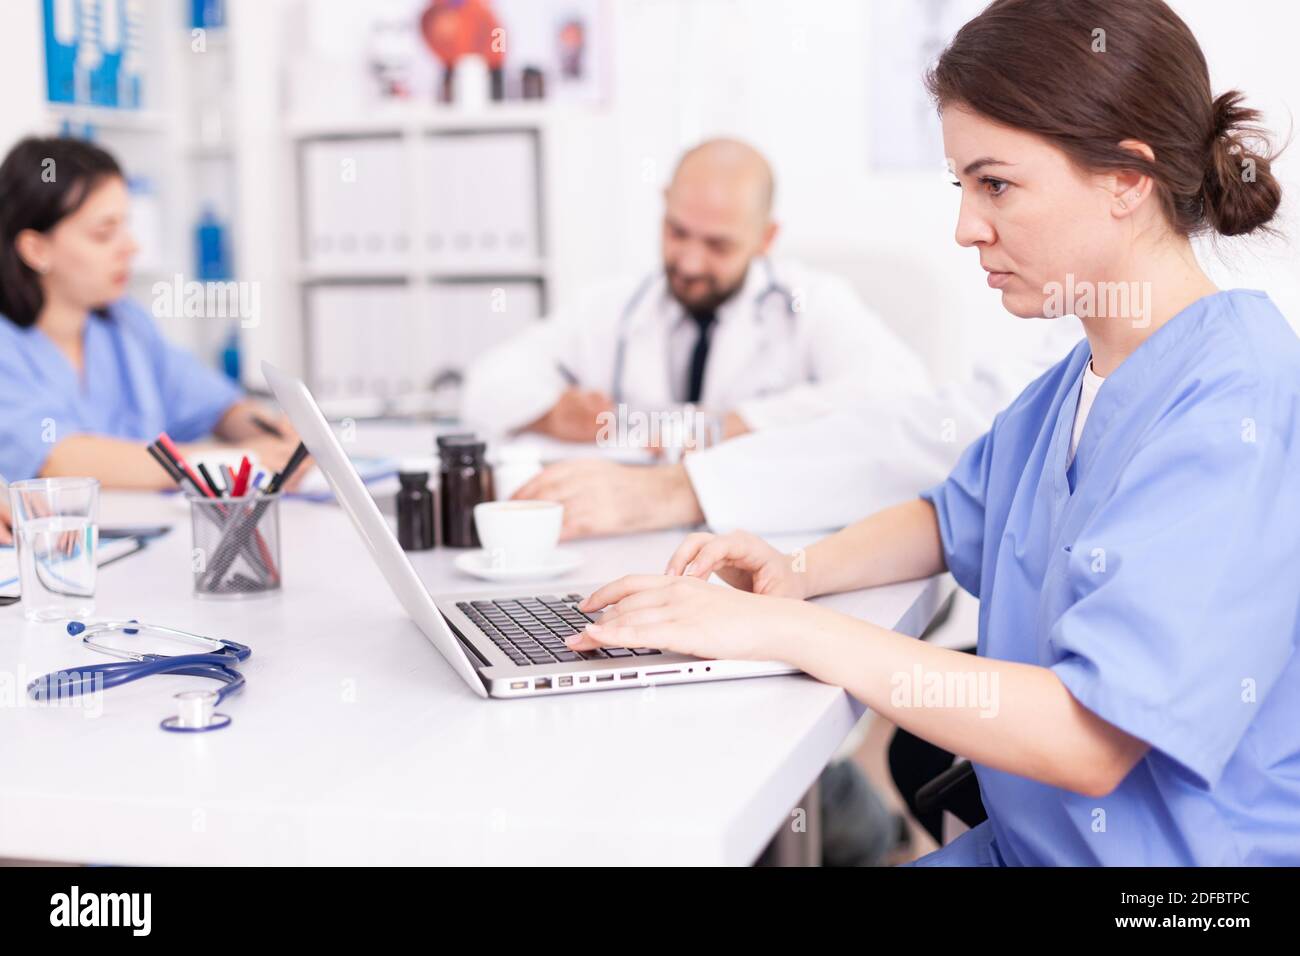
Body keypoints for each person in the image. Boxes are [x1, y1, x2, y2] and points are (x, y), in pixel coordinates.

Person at [564, 0, 1300, 865]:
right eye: (963, 187)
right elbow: (953, 517)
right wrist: (793, 571)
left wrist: (785, 632)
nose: (966, 227)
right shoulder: (1078, 380)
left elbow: (1090, 741)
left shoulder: (1234, 402)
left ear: (1126, 179)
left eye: (996, 184)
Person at [460, 137, 927, 445]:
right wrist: (552, 415)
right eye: (677, 232)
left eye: (718, 245)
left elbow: (900, 392)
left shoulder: (812, 303)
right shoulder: (612, 306)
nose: (688, 262)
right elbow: (486, 385)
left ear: (766, 238)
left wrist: (727, 427)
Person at [0, 136, 302, 489]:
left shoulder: (124, 323)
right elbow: (60, 459)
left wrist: (274, 434)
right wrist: (232, 462)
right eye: (104, 233)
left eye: (126, 226)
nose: (130, 247)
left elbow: (215, 405)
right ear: (36, 249)